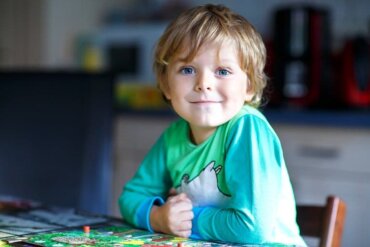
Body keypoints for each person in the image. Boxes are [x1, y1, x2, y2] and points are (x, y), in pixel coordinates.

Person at [119, 4, 306, 246]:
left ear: (248, 86)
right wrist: (157, 217)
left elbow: (252, 228)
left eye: (223, 71)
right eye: (187, 69)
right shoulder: (173, 137)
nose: (204, 83)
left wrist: (187, 221)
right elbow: (130, 197)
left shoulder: (246, 128)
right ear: (166, 85)